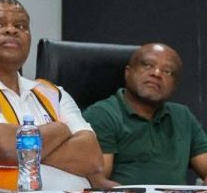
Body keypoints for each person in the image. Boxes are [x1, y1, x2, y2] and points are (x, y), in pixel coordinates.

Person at [0, 0, 111, 191]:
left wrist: (23, 150)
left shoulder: (54, 93)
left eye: (20, 26)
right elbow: (6, 147)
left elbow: (92, 158)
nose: (11, 30)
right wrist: (60, 130)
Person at [83, 43, 207, 185]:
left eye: (167, 71)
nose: (156, 73)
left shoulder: (183, 116)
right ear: (128, 72)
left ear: (174, 86)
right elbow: (98, 183)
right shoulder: (102, 115)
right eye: (148, 65)